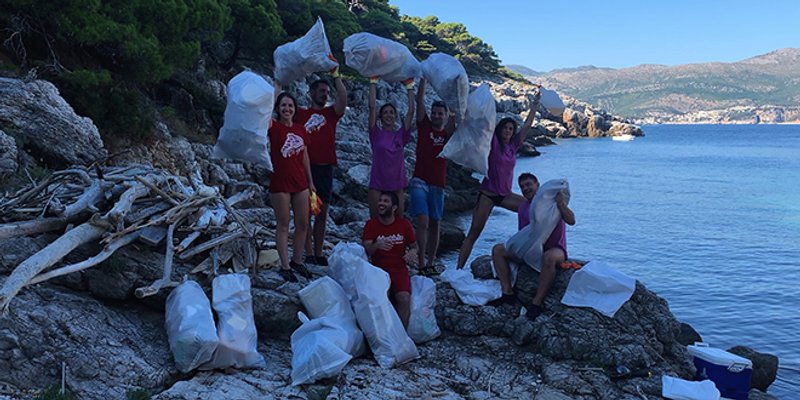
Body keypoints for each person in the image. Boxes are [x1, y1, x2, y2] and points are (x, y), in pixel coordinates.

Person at [456, 91, 541, 269]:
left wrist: (534, 106)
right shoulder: (493, 142)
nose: (508, 131)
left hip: (505, 195)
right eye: (505, 128)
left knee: (535, 210)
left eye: (511, 129)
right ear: (500, 129)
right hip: (487, 195)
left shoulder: (513, 146)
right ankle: (458, 269)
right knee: (474, 233)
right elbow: (485, 123)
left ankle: (528, 252)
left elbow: (526, 127)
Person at [490, 173, 576, 321]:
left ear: (537, 185)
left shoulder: (552, 204)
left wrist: (561, 205)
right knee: (498, 250)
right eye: (522, 187)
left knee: (548, 258)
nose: (526, 188)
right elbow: (524, 235)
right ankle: (507, 293)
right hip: (529, 250)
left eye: (529, 184)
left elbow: (571, 221)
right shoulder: (523, 207)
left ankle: (536, 302)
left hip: (555, 248)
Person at [295, 71, 347, 267]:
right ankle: (308, 252)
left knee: (322, 213)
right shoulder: (301, 114)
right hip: (306, 169)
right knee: (306, 212)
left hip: (325, 169)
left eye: (327, 92)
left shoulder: (330, 114)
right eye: (321, 91)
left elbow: (342, 99)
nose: (325, 94)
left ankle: (318, 252)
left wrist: (336, 76)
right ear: (311, 93)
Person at [268, 85, 315, 282]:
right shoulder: (273, 127)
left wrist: (311, 182)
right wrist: (278, 85)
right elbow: (265, 109)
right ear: (278, 108)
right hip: (280, 182)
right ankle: (285, 265)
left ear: (295, 108)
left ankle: (297, 260)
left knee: (303, 223)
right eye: (283, 105)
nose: (287, 109)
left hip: (300, 182)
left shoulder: (300, 129)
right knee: (283, 225)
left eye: (290, 105)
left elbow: (305, 156)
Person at [410, 78, 455, 275]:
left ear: (445, 116)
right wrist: (425, 79)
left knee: (436, 223)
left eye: (440, 114)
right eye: (434, 113)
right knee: (422, 220)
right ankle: (420, 261)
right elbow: (419, 102)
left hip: (438, 184)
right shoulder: (424, 125)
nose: (437, 116)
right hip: (419, 180)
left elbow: (458, 115)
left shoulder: (447, 133)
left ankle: (430, 261)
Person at [362, 191, 419, 328]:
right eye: (380, 200)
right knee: (382, 298)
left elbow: (414, 246)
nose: (381, 203)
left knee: (404, 299)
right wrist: (377, 245)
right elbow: (367, 250)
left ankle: (402, 335)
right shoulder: (371, 224)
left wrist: (412, 253)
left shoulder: (404, 225)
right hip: (379, 270)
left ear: (394, 208)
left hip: (399, 270)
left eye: (385, 201)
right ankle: (385, 332)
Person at [367, 77, 415, 219]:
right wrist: (373, 82)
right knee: (376, 222)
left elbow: (411, 111)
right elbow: (372, 107)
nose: (388, 115)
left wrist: (409, 86)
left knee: (397, 222)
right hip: (378, 183)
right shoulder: (375, 134)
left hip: (397, 184)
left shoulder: (401, 135)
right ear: (380, 117)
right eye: (385, 112)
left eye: (391, 113)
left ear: (395, 117)